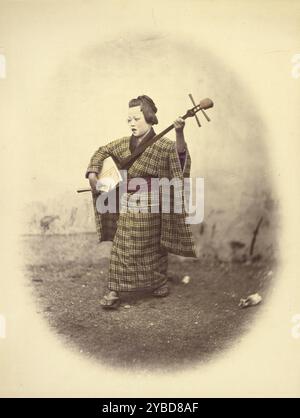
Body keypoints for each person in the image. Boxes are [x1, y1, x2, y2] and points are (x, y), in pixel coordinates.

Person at [86, 95, 196, 309]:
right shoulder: (123, 144)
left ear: (149, 117)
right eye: (129, 119)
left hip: (154, 202)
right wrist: (93, 172)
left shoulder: (164, 146)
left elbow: (180, 157)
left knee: (154, 247)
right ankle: (115, 288)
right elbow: (102, 151)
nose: (132, 123)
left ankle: (158, 282)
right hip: (129, 201)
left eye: (136, 118)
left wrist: (179, 132)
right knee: (122, 244)